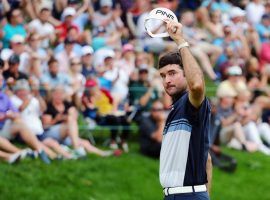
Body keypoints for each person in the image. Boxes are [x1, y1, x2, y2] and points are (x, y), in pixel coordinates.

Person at [158, 20, 212, 199]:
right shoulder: (175, 109)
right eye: (163, 75)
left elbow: (196, 85)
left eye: (172, 73)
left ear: (185, 73)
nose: (167, 80)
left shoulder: (190, 104)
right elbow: (208, 160)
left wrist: (180, 40)